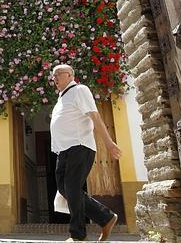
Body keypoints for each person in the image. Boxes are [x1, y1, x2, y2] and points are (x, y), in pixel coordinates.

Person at [50, 64, 122, 242]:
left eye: (57, 75)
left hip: (79, 146)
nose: (54, 79)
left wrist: (109, 144)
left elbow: (95, 117)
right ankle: (106, 217)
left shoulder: (79, 90)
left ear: (69, 74)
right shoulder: (62, 97)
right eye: (53, 76)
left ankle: (78, 236)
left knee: (72, 188)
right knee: (64, 189)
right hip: (64, 150)